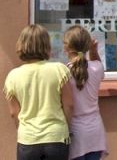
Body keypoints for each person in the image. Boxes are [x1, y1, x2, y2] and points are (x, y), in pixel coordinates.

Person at [3, 24, 73, 160]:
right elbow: (69, 105)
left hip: (28, 139)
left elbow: (13, 113)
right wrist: (66, 127)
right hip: (56, 137)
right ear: (46, 45)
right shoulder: (58, 69)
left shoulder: (13, 76)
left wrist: (24, 130)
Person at [63, 25, 108, 160]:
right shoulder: (97, 67)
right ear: (88, 46)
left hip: (75, 130)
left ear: (66, 47)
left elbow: (68, 105)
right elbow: (98, 68)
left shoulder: (64, 72)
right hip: (95, 129)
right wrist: (94, 51)